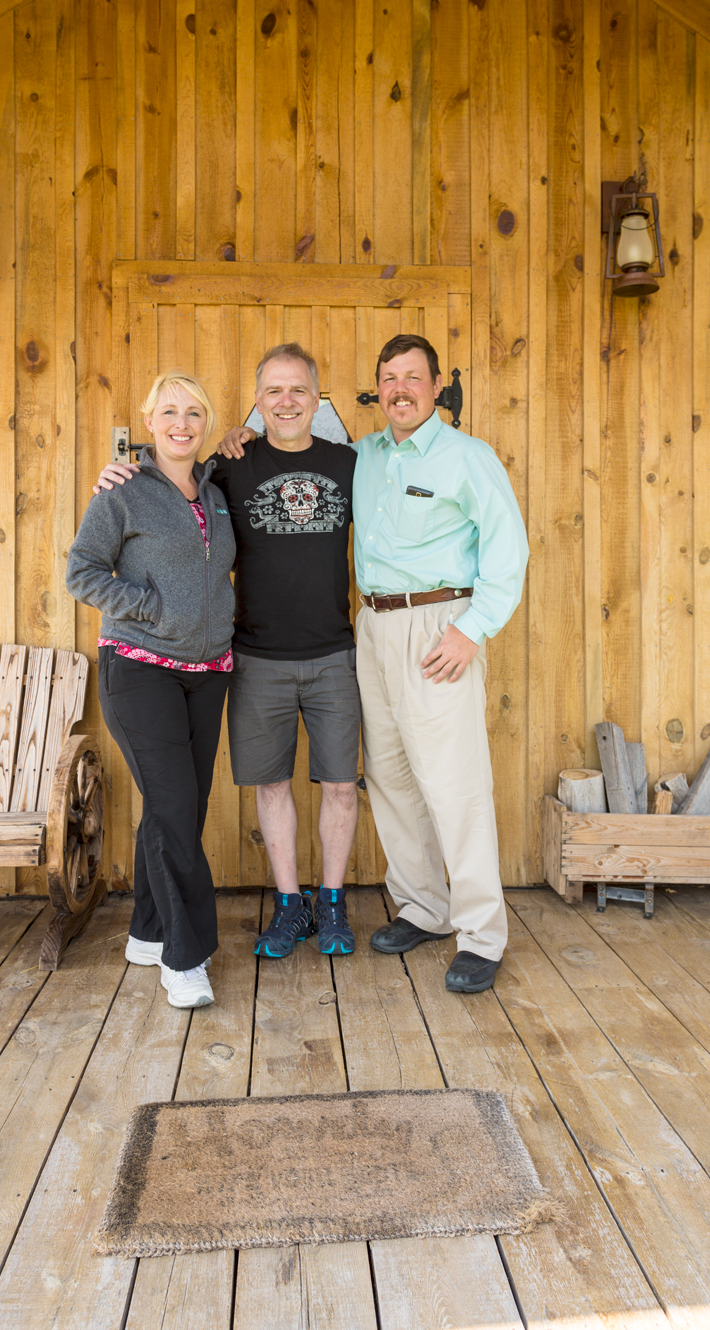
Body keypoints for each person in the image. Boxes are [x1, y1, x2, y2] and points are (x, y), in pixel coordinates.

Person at [221, 332, 528, 993]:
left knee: (455, 785)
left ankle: (481, 932)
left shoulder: (467, 458)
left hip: (440, 627)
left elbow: (508, 553)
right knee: (389, 779)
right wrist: (233, 437)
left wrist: (471, 629)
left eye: (413, 378)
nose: (400, 390)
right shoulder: (359, 457)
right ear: (377, 388)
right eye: (389, 378)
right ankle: (425, 907)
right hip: (371, 630)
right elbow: (282, 449)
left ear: (438, 384)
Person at [94, 343, 361, 960]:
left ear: (317, 398)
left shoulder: (350, 463)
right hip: (255, 657)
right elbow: (170, 472)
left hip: (334, 655)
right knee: (269, 786)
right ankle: (290, 907)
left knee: (341, 785)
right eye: (273, 391)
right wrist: (123, 468)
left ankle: (333, 902)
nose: (286, 402)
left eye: (298, 390)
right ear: (258, 400)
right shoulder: (228, 466)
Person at [67, 371, 235, 1009]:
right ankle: (184, 958)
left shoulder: (215, 491)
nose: (182, 424)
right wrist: (147, 606)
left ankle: (147, 930)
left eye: (194, 412)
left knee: (182, 808)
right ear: (149, 418)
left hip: (208, 671)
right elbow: (81, 571)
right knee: (170, 805)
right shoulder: (124, 490)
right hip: (139, 665)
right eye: (169, 411)